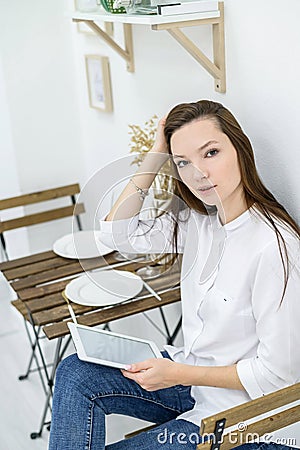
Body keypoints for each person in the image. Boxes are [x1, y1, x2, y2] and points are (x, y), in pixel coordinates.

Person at [49, 100, 300, 449]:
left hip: (244, 417)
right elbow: (113, 234)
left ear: (240, 150)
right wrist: (156, 154)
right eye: (183, 162)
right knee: (75, 372)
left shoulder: (275, 247)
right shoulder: (200, 222)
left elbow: (278, 378)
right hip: (192, 385)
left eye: (210, 153)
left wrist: (176, 374)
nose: (198, 173)